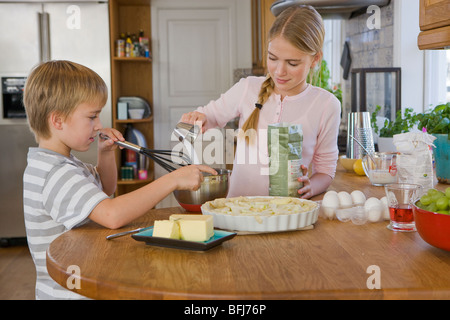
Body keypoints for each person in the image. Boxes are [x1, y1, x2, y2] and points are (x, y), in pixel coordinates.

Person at [22, 60, 216, 300]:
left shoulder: (64, 164)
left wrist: (104, 153)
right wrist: (172, 180)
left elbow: (105, 188)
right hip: (69, 294)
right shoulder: (56, 173)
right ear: (58, 121)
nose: (99, 125)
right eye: (92, 117)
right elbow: (111, 215)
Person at [181, 5, 341, 199]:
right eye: (272, 58)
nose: (279, 71)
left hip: (289, 214)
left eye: (292, 63)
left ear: (315, 59)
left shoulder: (326, 104)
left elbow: (326, 170)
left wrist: (312, 187)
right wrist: (199, 119)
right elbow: (211, 115)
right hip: (239, 209)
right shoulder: (248, 88)